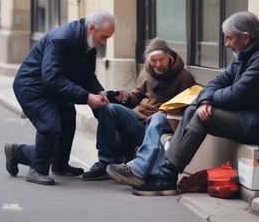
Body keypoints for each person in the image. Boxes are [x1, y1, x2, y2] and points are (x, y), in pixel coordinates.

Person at [106, 11, 259, 196]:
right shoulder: (247, 55)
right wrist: (205, 99)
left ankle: (167, 174)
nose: (226, 43)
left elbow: (237, 95)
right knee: (192, 110)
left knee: (201, 116)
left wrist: (208, 100)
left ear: (245, 38)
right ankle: (165, 171)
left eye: (229, 38)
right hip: (251, 116)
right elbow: (219, 81)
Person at [4, 10, 116, 185]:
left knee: (68, 119)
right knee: (50, 124)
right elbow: (51, 77)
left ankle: (60, 164)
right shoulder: (62, 38)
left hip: (53, 87)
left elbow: (87, 76)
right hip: (32, 86)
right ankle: (31, 164)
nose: (103, 43)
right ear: (92, 28)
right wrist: (87, 97)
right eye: (103, 37)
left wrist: (99, 91)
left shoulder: (89, 46)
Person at [82, 37, 195, 180]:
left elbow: (187, 108)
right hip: (139, 119)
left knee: (157, 118)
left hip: (160, 123)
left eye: (161, 60)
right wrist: (123, 97)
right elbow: (136, 97)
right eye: (154, 61)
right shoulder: (147, 71)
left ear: (169, 57)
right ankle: (105, 162)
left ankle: (138, 168)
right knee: (108, 108)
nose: (158, 64)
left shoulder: (184, 77)